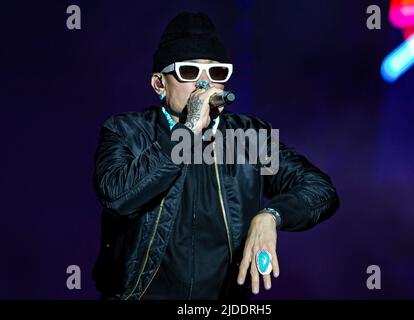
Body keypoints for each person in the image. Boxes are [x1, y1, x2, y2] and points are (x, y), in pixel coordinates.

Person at [92, 12, 339, 300]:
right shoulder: (126, 130)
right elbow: (117, 196)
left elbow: (321, 190)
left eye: (217, 73)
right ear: (160, 84)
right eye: (189, 72)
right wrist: (188, 129)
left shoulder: (250, 135)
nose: (205, 84)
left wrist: (271, 215)